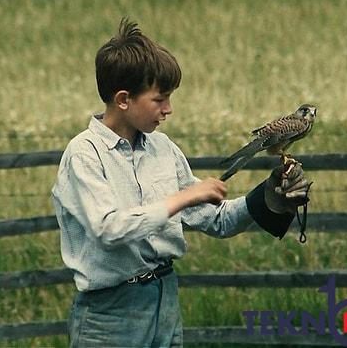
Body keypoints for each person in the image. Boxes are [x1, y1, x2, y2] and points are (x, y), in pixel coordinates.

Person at [51, 18, 310, 347]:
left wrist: (269, 197)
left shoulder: (162, 149)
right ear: (123, 99)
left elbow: (216, 219)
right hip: (110, 316)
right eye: (160, 99)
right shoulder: (84, 155)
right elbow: (110, 229)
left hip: (166, 302)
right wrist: (185, 197)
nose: (169, 109)